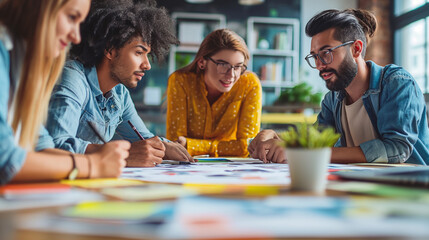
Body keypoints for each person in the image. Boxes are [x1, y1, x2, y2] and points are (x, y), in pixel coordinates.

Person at [248, 9, 429, 165]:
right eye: (315, 56)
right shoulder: (333, 99)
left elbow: (396, 149)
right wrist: (273, 136)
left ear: (356, 49)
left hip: (411, 189)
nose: (319, 65)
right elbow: (314, 141)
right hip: (361, 189)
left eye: (326, 53)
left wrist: (308, 154)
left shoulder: (397, 83)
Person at [46, 0, 194, 167]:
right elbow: (56, 145)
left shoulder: (120, 94)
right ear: (110, 50)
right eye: (139, 52)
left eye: (148, 55)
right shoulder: (72, 78)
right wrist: (125, 154)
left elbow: (144, 138)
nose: (147, 65)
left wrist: (165, 145)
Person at [0, 0, 130, 185]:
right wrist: (93, 165)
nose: (76, 36)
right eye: (71, 17)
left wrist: (98, 161)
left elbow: (42, 146)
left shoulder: (20, 64)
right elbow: (5, 160)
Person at [166, 29, 262, 157]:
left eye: (238, 66)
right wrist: (227, 147)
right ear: (202, 62)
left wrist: (192, 145)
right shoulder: (180, 81)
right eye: (223, 65)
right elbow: (175, 145)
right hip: (188, 165)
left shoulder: (249, 84)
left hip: (231, 169)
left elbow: (248, 146)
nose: (231, 75)